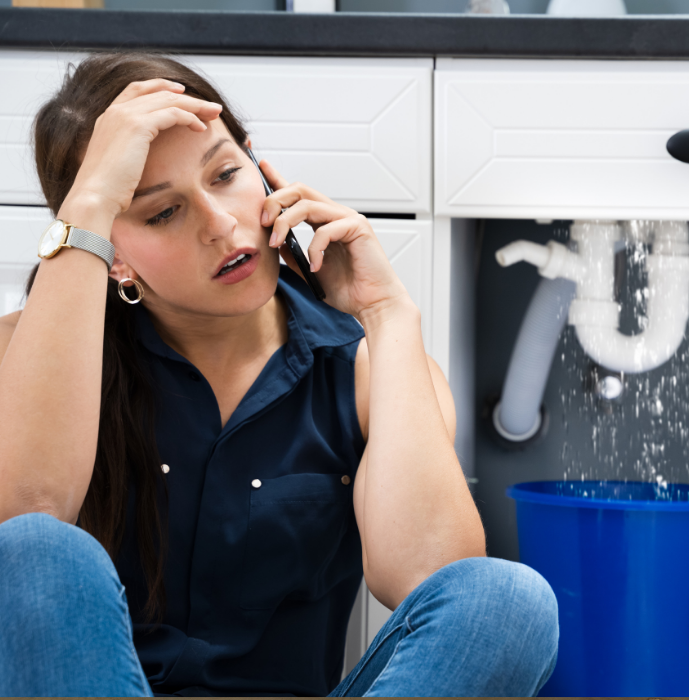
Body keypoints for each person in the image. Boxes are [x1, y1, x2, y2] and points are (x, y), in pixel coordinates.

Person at [0, 53, 558, 697]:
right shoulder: (29, 354)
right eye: (162, 213)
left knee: (505, 600)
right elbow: (23, 530)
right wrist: (91, 203)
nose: (220, 223)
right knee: (39, 552)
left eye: (227, 173)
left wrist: (388, 313)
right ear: (115, 254)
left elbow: (434, 583)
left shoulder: (369, 370)